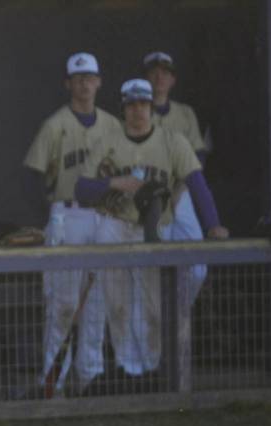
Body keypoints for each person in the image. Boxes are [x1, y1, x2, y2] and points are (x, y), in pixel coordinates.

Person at [75, 79, 229, 383]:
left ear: (151, 107)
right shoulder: (107, 141)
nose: (138, 110)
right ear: (123, 109)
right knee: (118, 303)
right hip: (116, 224)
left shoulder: (173, 141)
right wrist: (114, 182)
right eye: (132, 105)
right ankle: (128, 369)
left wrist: (213, 223)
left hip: (156, 227)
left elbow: (197, 184)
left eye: (143, 104)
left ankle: (152, 369)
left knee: (153, 306)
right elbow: (81, 190)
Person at [22, 52, 123, 395]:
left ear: (99, 82)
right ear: (68, 84)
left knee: (96, 305)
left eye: (89, 77)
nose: (84, 84)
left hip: (103, 216)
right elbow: (31, 176)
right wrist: (48, 217)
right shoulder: (55, 124)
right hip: (67, 213)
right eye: (78, 78)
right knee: (63, 304)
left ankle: (89, 378)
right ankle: (54, 381)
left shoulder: (113, 126)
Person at [144, 51, 223, 303]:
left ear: (173, 80)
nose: (159, 78)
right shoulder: (135, 110)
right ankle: (157, 320)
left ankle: (179, 314)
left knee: (197, 268)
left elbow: (198, 156)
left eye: (165, 73)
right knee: (151, 268)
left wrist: (181, 188)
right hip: (149, 196)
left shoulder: (185, 113)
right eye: (154, 73)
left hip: (182, 193)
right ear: (146, 78)